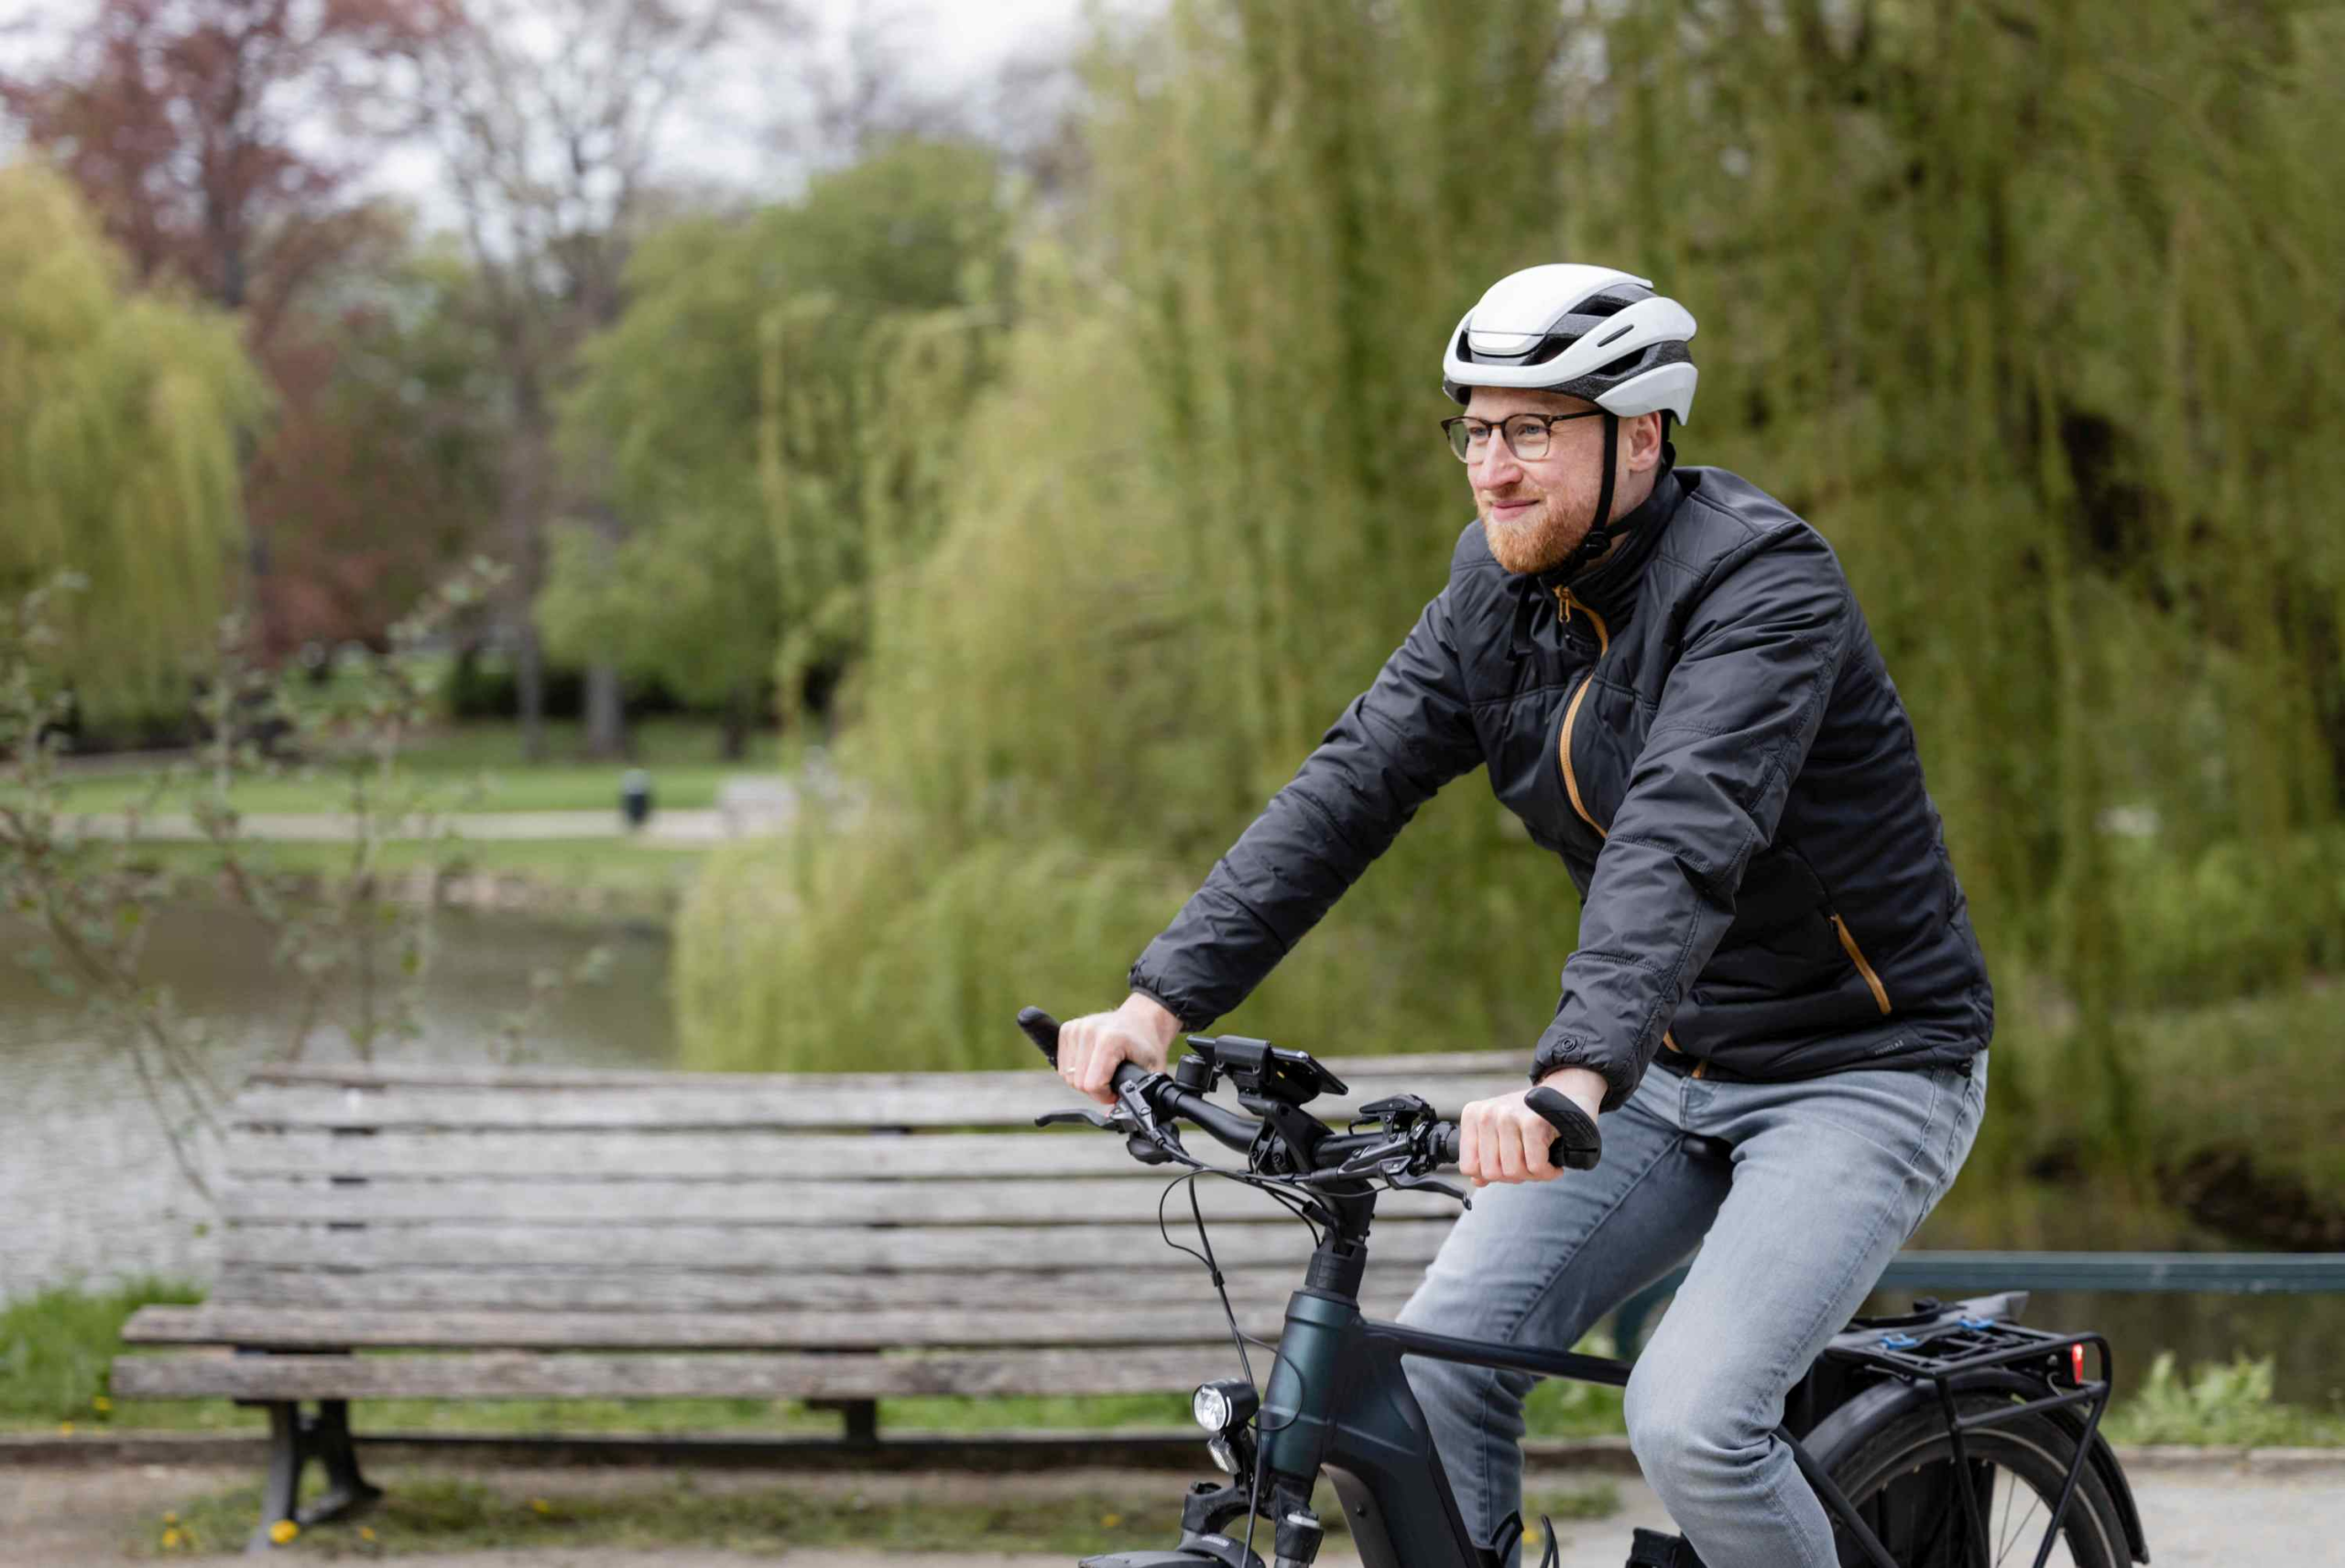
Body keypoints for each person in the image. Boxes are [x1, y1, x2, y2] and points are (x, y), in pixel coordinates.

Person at [1048, 264, 1993, 1568]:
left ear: (1642, 437)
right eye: (1477, 431)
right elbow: (1352, 784)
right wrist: (1160, 1000)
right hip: (1667, 1066)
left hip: (1860, 1070)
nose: (1493, 468)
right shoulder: (1496, 594)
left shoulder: (1764, 588)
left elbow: (1683, 832)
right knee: (1438, 1376)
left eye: (1533, 430)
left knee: (1695, 1423)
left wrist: (1571, 1077)